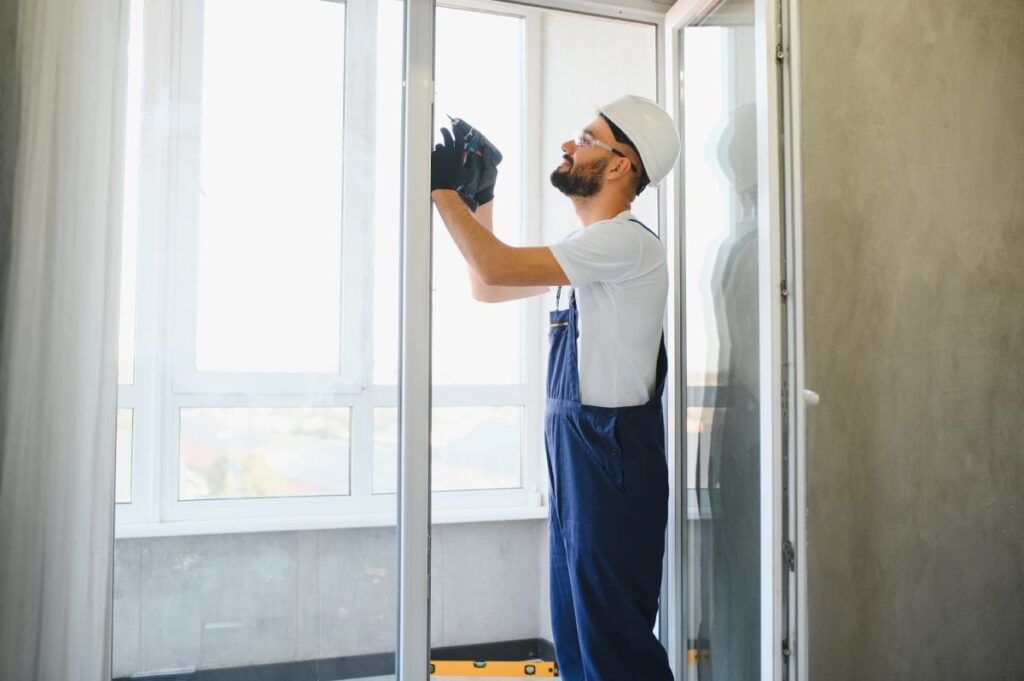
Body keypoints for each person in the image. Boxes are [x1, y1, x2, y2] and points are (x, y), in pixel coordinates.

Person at [430, 95, 681, 681]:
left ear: (620, 164)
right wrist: (479, 193)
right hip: (580, 465)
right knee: (580, 648)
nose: (569, 146)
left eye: (586, 138)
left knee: (614, 651)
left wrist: (442, 190)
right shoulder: (588, 256)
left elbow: (495, 268)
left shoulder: (626, 243)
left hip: (609, 467)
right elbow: (487, 286)